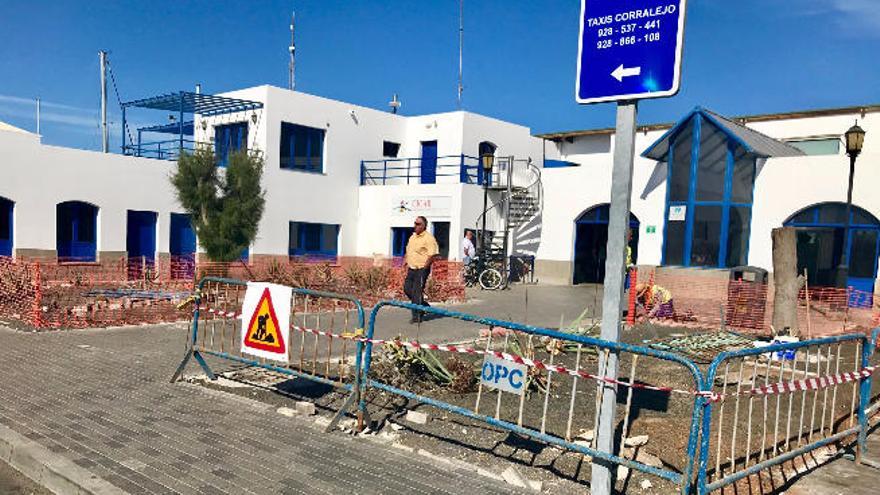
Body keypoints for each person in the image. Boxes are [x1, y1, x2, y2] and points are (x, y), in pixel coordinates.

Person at [404, 216, 439, 323]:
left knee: (416, 292)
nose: (415, 226)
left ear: (424, 226)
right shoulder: (413, 237)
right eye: (415, 223)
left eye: (418, 224)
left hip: (421, 269)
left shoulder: (429, 238)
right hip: (412, 268)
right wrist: (405, 261)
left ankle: (417, 316)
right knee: (407, 289)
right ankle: (424, 306)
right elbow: (409, 251)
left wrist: (425, 268)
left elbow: (432, 255)